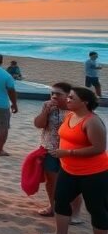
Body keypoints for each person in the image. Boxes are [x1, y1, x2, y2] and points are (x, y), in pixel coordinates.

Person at [34, 87, 108, 234]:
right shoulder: (69, 116)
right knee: (60, 200)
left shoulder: (92, 121)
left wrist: (68, 153)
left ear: (85, 102)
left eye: (71, 98)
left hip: (94, 172)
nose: (67, 100)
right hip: (69, 169)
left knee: (96, 208)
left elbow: (98, 148)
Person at [34, 82, 83, 221]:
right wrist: (45, 111)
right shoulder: (47, 105)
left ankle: (75, 213)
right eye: (52, 93)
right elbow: (39, 124)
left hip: (70, 151)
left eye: (58, 94)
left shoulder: (75, 108)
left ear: (68, 95)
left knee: (73, 183)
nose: (54, 96)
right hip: (50, 149)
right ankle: (52, 206)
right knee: (51, 181)